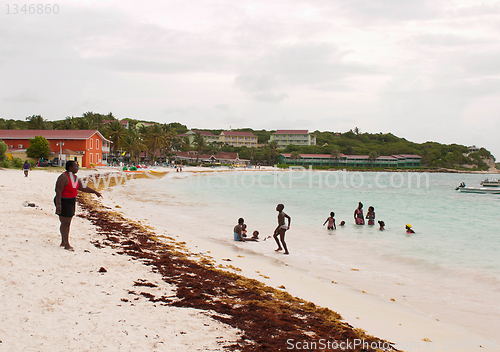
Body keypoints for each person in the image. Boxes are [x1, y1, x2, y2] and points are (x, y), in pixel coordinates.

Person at [54, 160, 102, 251]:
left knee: (66, 222)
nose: (77, 167)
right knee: (65, 222)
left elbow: (82, 187)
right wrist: (58, 205)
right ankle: (66, 244)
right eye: (76, 166)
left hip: (71, 201)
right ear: (70, 167)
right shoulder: (63, 177)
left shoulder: (75, 177)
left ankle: (63, 241)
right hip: (63, 201)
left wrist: (94, 192)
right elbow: (58, 192)